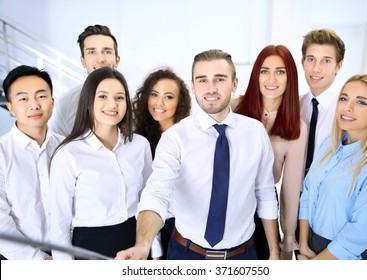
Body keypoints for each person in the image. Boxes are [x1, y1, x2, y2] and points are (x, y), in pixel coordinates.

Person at [115, 49, 280, 260]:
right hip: (186, 255)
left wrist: (274, 250)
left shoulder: (255, 133)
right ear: (193, 86)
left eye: (219, 79)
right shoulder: (176, 138)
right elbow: (157, 193)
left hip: (243, 255)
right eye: (202, 80)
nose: (211, 88)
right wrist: (142, 244)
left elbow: (265, 192)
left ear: (235, 83)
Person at [49, 67, 159, 259]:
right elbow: (59, 223)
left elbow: (149, 199)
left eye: (119, 97)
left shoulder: (140, 145)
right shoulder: (68, 154)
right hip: (89, 247)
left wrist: (155, 250)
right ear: (88, 101)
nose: (112, 104)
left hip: (137, 241)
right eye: (102, 96)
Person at [298, 74, 367, 260]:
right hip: (310, 246)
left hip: (343, 258)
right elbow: (307, 193)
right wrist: (303, 245)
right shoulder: (328, 146)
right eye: (343, 98)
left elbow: (358, 234)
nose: (347, 107)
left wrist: (311, 266)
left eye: (361, 102)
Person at [234, 45, 307, 260]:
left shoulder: (297, 128)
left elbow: (290, 191)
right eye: (264, 71)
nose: (271, 79)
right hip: (224, 199)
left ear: (290, 78)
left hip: (262, 206)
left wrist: (287, 241)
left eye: (280, 72)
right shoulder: (234, 107)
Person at [0, 65, 63, 259]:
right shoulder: (2, 153)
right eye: (23, 99)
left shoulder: (67, 148)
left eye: (41, 96)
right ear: (10, 107)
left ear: (52, 102)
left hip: (69, 255)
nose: (34, 105)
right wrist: (40, 260)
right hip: (19, 260)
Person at [132, 68, 191, 259]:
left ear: (179, 103)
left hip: (182, 228)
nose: (159, 103)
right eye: (154, 94)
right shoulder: (139, 140)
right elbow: (144, 194)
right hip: (149, 230)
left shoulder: (189, 138)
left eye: (168, 97)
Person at [48, 24, 120, 136]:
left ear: (117, 60)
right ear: (83, 61)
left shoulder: (133, 101)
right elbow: (56, 147)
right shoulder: (63, 105)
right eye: (92, 52)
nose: (100, 59)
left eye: (107, 51)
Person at [299, 28, 345, 173]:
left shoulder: (346, 109)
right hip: (295, 191)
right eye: (311, 59)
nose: (316, 69)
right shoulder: (296, 105)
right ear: (303, 62)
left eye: (325, 61)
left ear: (338, 66)